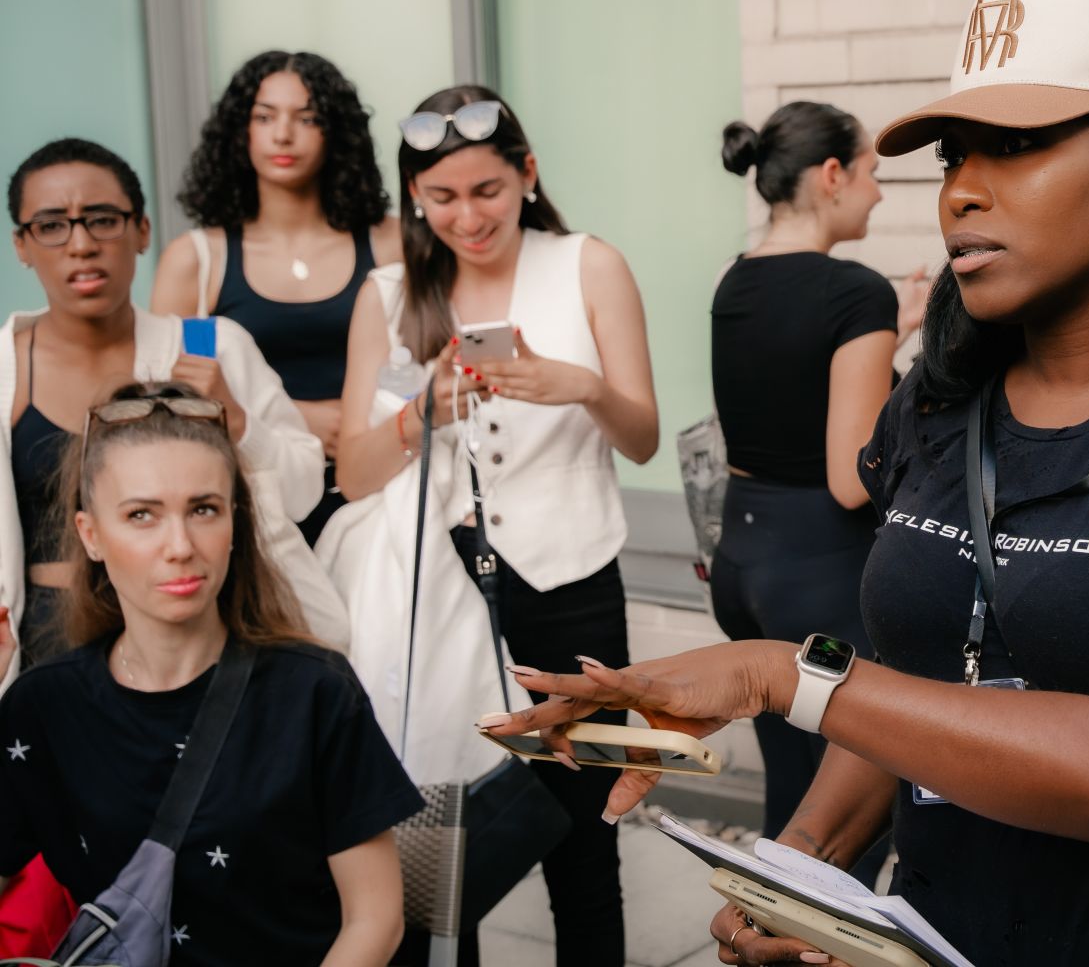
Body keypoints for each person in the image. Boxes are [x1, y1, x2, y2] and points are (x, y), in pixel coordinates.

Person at [489, 0, 1089, 966]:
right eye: (955, 154)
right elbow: (912, 692)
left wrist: (777, 676)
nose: (961, 191)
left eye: (1017, 145)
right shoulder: (943, 401)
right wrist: (799, 873)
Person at [326, 85, 657, 966]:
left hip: (571, 583)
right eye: (442, 197)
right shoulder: (387, 295)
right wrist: (419, 413)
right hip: (439, 596)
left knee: (586, 839)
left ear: (527, 175)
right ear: (414, 197)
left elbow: (643, 438)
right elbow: (352, 475)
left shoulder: (589, 265)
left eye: (487, 191)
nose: (467, 217)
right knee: (446, 839)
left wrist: (583, 387)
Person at [0, 380, 422, 965]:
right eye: (142, 515)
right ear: (90, 535)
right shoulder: (43, 706)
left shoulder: (313, 692)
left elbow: (375, 920)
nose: (180, 545)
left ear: (234, 524)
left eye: (203, 510)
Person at [4, 138, 334, 682]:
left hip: (202, 632)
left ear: (142, 231)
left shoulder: (210, 346)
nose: (81, 244)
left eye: (102, 220)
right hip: (45, 642)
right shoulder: (5, 372)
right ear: (22, 244)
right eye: (52, 225)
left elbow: (303, 494)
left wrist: (236, 421)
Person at [712, 102, 924, 851]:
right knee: (847, 830)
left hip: (745, 568)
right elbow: (849, 479)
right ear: (832, 175)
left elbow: (793, 393)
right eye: (871, 172)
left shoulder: (735, 280)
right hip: (822, 582)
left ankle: (756, 918)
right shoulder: (854, 291)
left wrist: (888, 336)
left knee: (792, 802)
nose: (879, 192)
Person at [150, 51, 403, 545]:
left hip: (380, 499)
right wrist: (304, 417)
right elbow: (173, 397)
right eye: (264, 117)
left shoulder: (392, 244)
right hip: (255, 508)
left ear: (337, 132)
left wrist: (361, 423)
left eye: (306, 118)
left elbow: (431, 364)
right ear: (239, 132)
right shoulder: (198, 260)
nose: (283, 135)